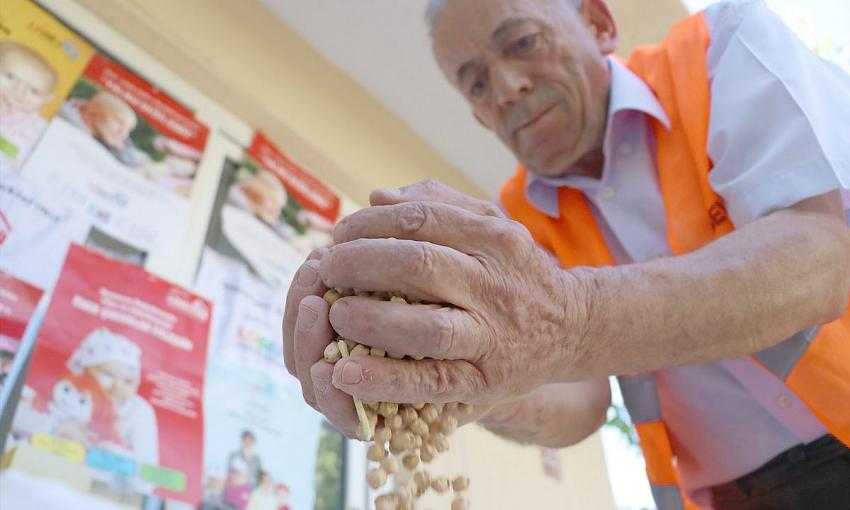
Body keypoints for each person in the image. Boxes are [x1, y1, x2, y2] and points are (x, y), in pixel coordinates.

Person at [283, 1, 850, 509]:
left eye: (522, 42)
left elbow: (821, 251)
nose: (504, 89)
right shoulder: (512, 227)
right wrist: (473, 383)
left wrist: (567, 321)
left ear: (599, 24)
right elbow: (580, 395)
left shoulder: (719, 48)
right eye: (475, 84)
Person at [68, 328, 159, 467]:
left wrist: (105, 452)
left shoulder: (140, 411)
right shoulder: (70, 394)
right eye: (108, 375)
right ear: (84, 371)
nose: (117, 387)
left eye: (128, 381)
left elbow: (146, 470)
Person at [0, 41, 57, 171]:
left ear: (48, 98)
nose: (18, 91)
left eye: (34, 91)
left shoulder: (38, 129)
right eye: (10, 77)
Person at [60, 90, 148, 167]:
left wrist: (119, 149)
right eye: (120, 123)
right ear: (95, 113)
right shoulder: (65, 118)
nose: (124, 133)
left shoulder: (105, 138)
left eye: (128, 129)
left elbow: (133, 162)